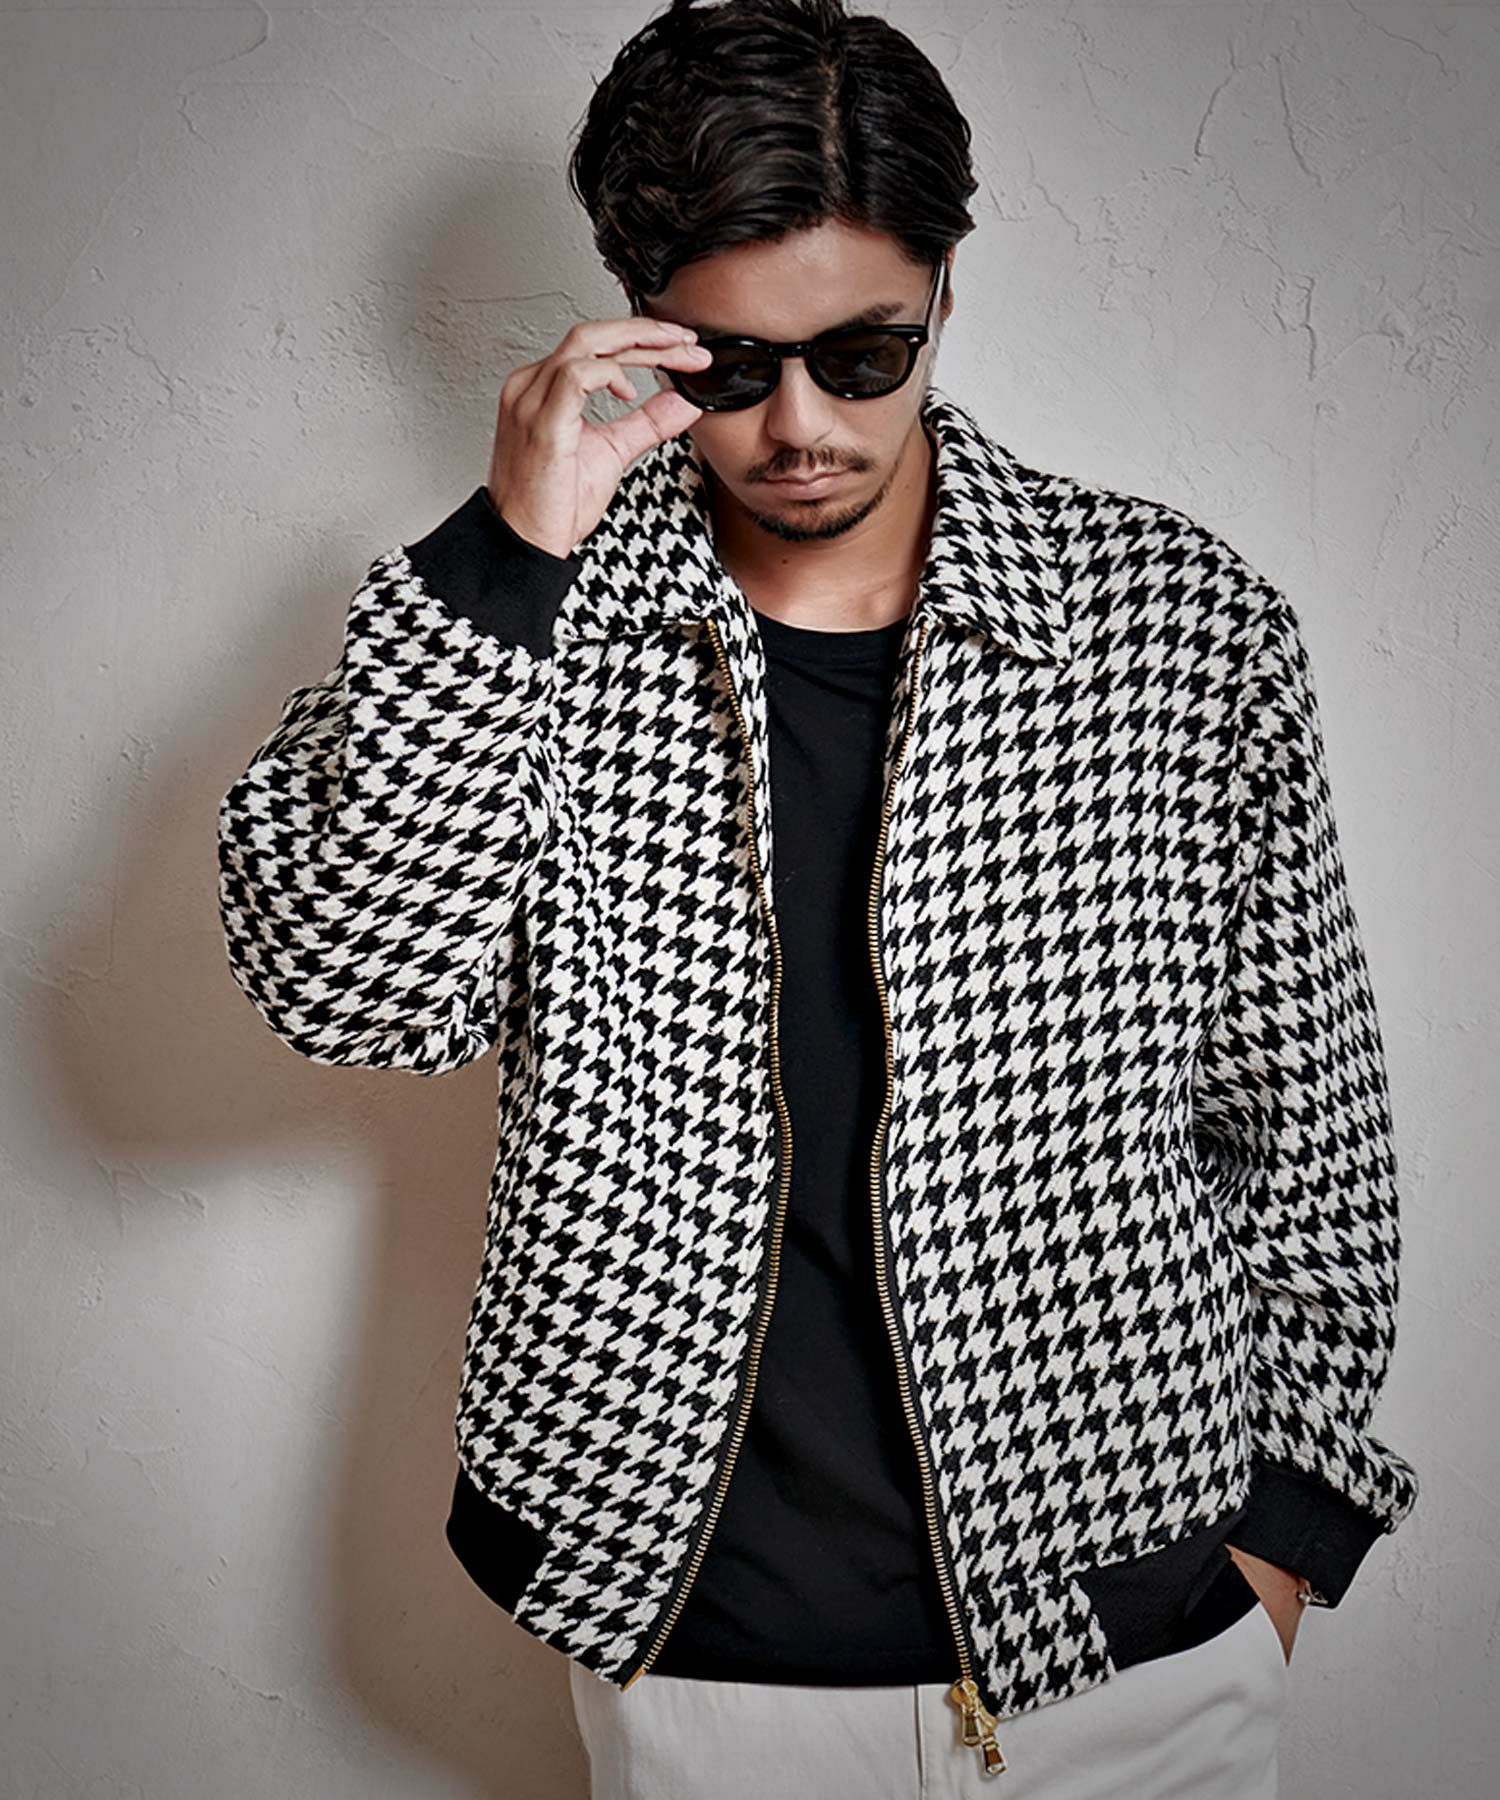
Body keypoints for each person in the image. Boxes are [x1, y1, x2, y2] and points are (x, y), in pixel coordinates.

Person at [215, 1, 1420, 1793]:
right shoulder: (537, 630)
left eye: (864, 354)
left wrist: (1285, 1543)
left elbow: (1305, 1127)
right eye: (732, 366)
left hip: (1139, 1641)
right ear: (641, 325)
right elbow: (347, 992)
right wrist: (508, 554)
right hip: (707, 1657)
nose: (800, 425)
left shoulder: (1173, 626)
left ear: (945, 294)